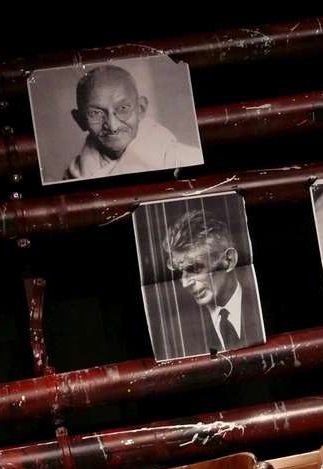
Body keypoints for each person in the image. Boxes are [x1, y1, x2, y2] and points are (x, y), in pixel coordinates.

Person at [65, 64, 203, 180]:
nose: (113, 126)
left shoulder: (184, 160)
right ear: (80, 120)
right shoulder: (72, 177)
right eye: (95, 113)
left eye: (123, 108)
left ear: (140, 108)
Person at [162, 208, 264, 356]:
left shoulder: (263, 302)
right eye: (179, 271)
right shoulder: (178, 330)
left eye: (194, 268)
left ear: (229, 261)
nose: (185, 283)